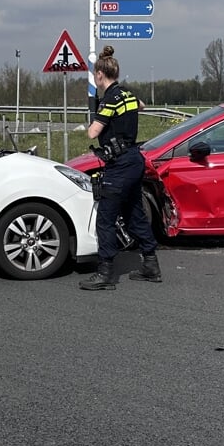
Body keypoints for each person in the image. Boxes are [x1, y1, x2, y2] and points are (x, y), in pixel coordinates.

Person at [79, 45, 160, 291]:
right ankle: (150, 264)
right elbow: (142, 105)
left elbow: (92, 133)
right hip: (135, 160)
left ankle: (105, 273)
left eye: (95, 75)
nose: (95, 78)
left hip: (119, 165)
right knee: (134, 212)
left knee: (105, 219)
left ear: (100, 75)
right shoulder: (127, 95)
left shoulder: (110, 100)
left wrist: (96, 115)